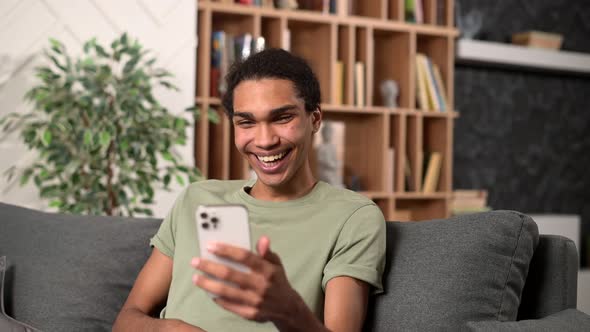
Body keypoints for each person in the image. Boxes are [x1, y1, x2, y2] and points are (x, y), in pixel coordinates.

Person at [113, 48, 386, 332]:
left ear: (315, 119)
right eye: (246, 122)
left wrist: (287, 309)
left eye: (282, 118)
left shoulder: (353, 217)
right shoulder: (196, 200)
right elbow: (126, 321)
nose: (265, 141)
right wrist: (169, 329)